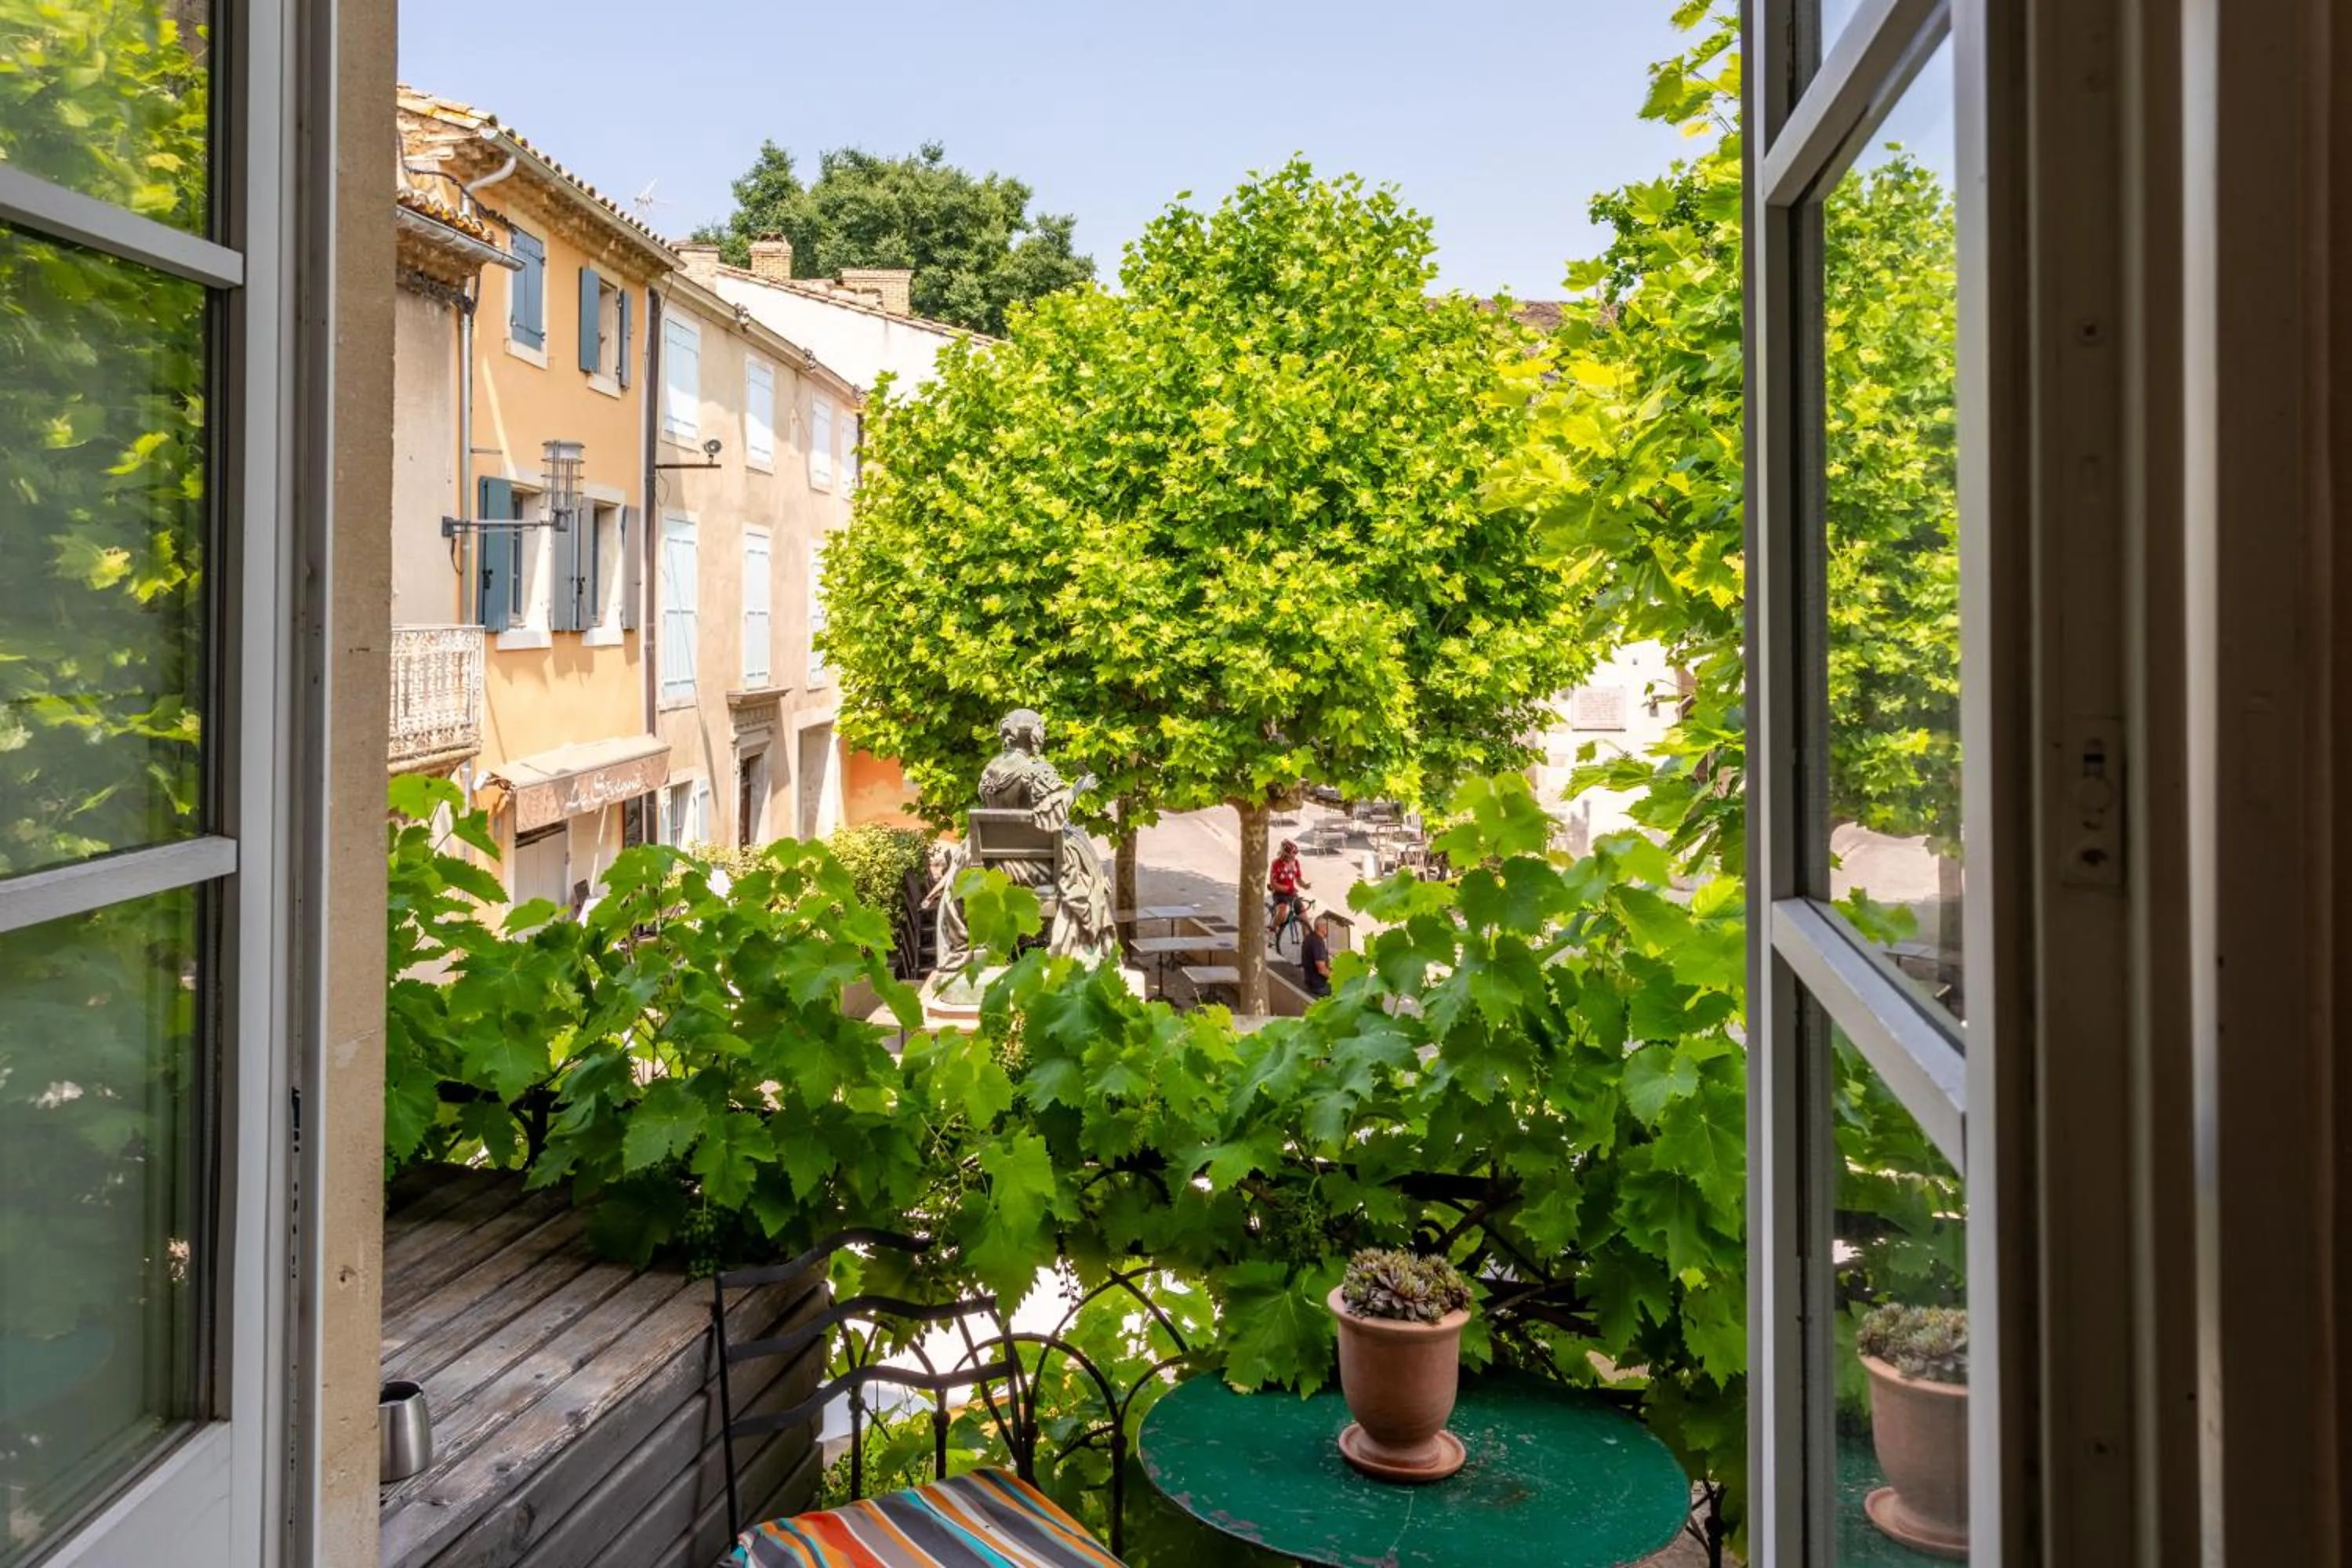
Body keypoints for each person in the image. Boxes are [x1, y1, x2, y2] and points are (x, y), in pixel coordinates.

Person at [1269, 838, 1310, 934]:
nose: (1293, 858)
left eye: (1294, 855)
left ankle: (1307, 945)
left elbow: (1298, 879)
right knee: (1282, 913)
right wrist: (1287, 889)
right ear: (1284, 855)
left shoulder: (1296, 863)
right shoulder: (1276, 864)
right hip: (1279, 893)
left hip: (1291, 893)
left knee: (1305, 920)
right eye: (1291, 856)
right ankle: (1272, 931)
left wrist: (1304, 885)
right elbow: (1273, 884)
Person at [1301, 911, 1335, 1000]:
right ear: (1320, 927)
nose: (1330, 929)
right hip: (1319, 986)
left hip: (1310, 980)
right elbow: (1322, 970)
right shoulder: (1318, 943)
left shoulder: (1310, 937)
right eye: (1327, 926)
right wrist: (1337, 978)